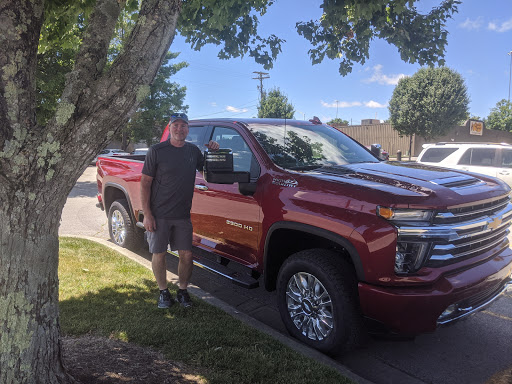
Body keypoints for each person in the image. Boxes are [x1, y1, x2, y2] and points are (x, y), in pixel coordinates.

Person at [140, 113, 219, 308]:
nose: (180, 129)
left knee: (187, 254)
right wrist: (147, 214)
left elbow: (209, 175)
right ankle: (163, 292)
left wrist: (214, 153)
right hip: (159, 214)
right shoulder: (157, 151)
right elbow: (145, 183)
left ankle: (183, 291)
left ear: (188, 129)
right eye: (176, 125)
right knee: (159, 253)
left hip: (182, 215)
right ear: (170, 127)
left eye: (184, 126)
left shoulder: (193, 151)